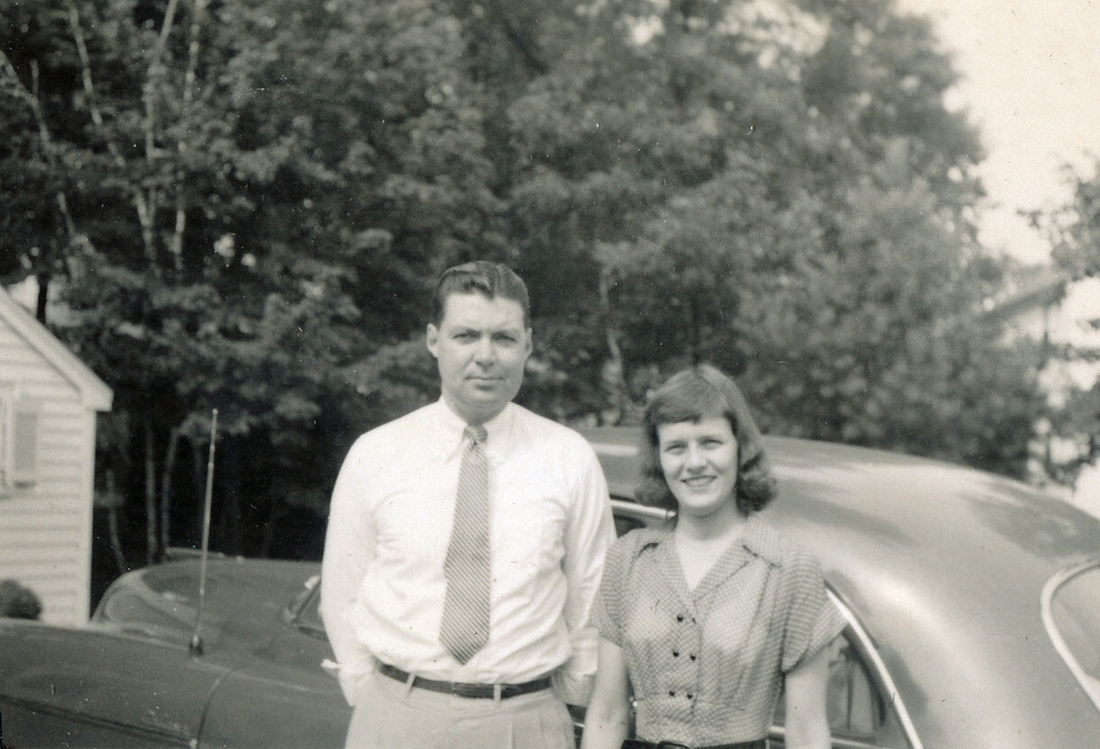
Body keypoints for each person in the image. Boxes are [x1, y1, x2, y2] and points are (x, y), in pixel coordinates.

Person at [320, 261, 615, 749]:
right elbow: (343, 591)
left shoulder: (569, 458)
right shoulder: (375, 454)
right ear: (434, 340)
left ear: (528, 345)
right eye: (466, 336)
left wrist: (561, 701)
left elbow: (592, 597)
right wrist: (376, 698)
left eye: (504, 338)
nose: (485, 356)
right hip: (397, 716)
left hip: (525, 721)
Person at [581, 365, 845, 749]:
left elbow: (806, 731)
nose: (694, 463)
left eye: (710, 442)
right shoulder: (629, 559)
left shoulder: (788, 569)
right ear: (659, 458)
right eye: (676, 447)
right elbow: (607, 714)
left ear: (741, 447)